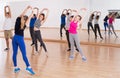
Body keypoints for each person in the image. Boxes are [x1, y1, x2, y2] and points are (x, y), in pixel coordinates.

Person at [12, 6, 35, 75]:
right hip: (20, 39)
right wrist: (32, 12)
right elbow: (29, 18)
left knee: (14, 53)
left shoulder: (18, 19)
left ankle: (16, 67)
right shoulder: (24, 24)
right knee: (24, 54)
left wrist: (27, 8)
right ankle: (28, 67)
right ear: (25, 20)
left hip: (14, 38)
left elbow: (22, 14)